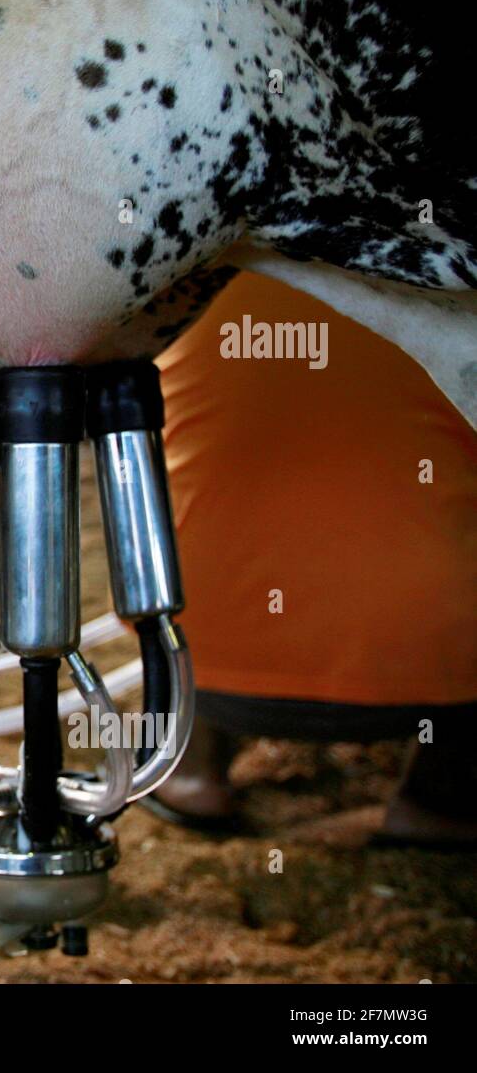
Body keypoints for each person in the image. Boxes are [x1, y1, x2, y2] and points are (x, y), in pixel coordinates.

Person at [149, 272, 477, 847]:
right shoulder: (451, 274)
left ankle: (190, 774)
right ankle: (437, 798)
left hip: (198, 648)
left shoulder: (195, 270)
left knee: (190, 514)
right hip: (433, 667)